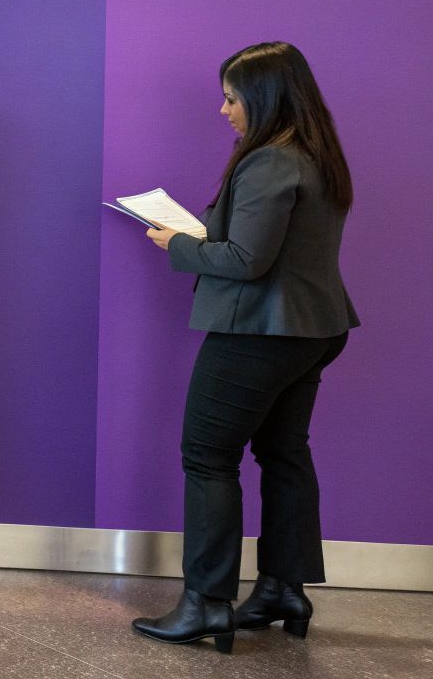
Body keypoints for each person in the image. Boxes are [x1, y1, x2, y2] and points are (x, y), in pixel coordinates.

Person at [131, 42, 359, 653]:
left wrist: (175, 246)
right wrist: (200, 228)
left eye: (232, 97)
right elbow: (260, 240)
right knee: (284, 453)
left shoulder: (269, 161)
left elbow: (245, 261)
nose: (223, 108)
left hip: (259, 333)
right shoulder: (316, 154)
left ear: (262, 99)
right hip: (316, 329)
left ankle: (206, 604)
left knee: (207, 456)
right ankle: (283, 588)